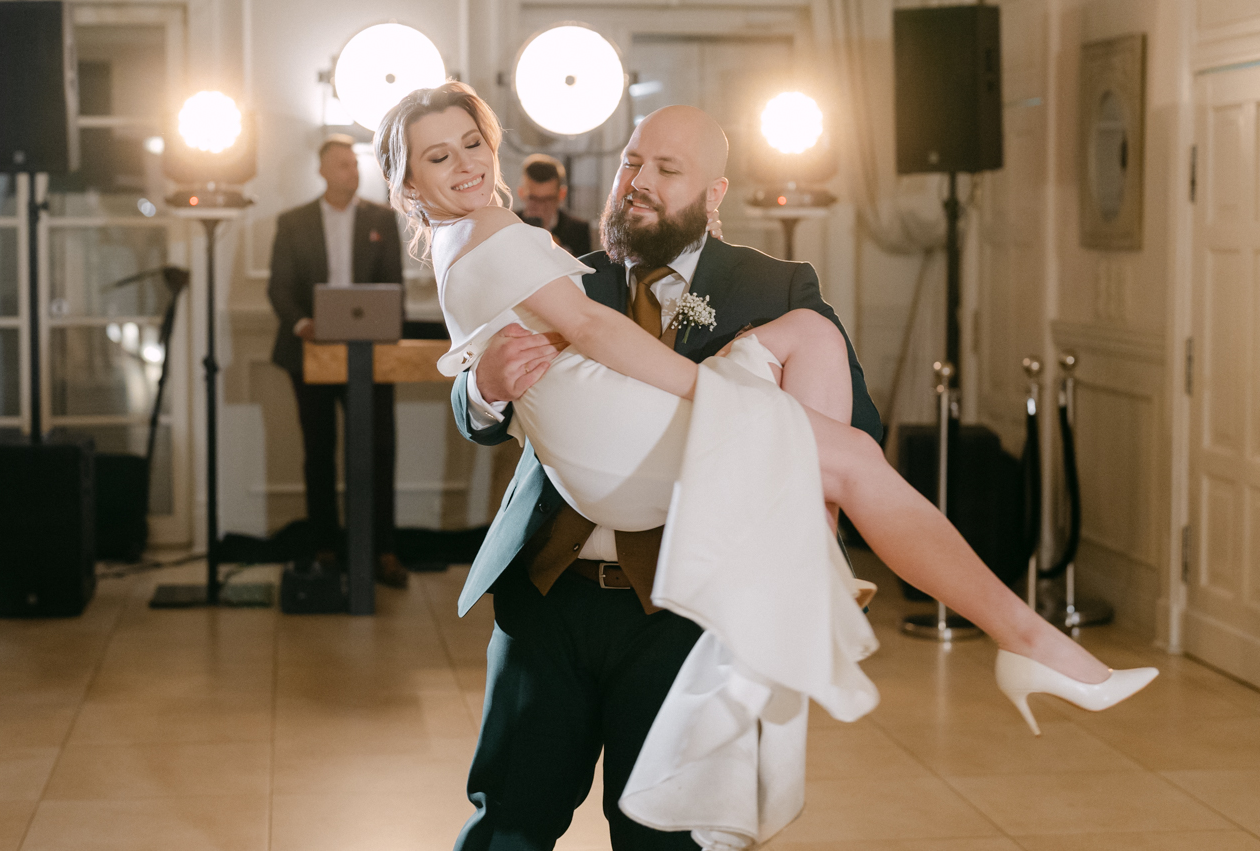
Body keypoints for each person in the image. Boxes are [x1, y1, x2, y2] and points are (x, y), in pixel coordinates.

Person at [374, 82, 1156, 850]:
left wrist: (731, 403)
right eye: (631, 162)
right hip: (554, 591)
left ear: (713, 194)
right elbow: (494, 397)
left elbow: (854, 419)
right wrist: (482, 387)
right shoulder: (556, 262)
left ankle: (811, 575)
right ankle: (995, 631)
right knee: (511, 820)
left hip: (673, 609)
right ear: (409, 181)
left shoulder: (774, 285)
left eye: (666, 169)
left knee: (659, 839)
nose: (639, 181)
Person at [267, 134, 409, 588]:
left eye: (355, 164)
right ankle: (325, 548)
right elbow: (279, 287)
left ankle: (383, 550)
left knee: (379, 451)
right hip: (309, 354)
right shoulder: (293, 222)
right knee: (319, 451)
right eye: (344, 164)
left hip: (372, 355)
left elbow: (394, 286)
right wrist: (303, 323)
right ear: (323, 171)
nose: (353, 171)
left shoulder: (381, 219)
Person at [516, 153, 592, 257]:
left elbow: (584, 266)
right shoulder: (508, 225)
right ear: (520, 193)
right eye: (533, 199)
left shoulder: (577, 230)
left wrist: (561, 253)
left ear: (562, 194)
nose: (541, 207)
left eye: (548, 199)